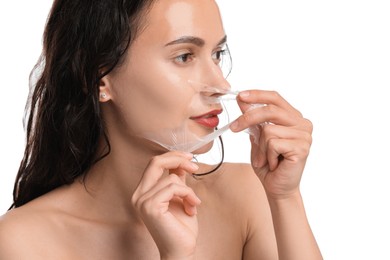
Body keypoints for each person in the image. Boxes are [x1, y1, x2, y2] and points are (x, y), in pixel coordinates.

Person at [0, 0, 322, 259]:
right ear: (99, 78)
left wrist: (285, 197)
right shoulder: (21, 243)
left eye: (216, 54)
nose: (220, 85)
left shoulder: (246, 198)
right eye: (184, 56)